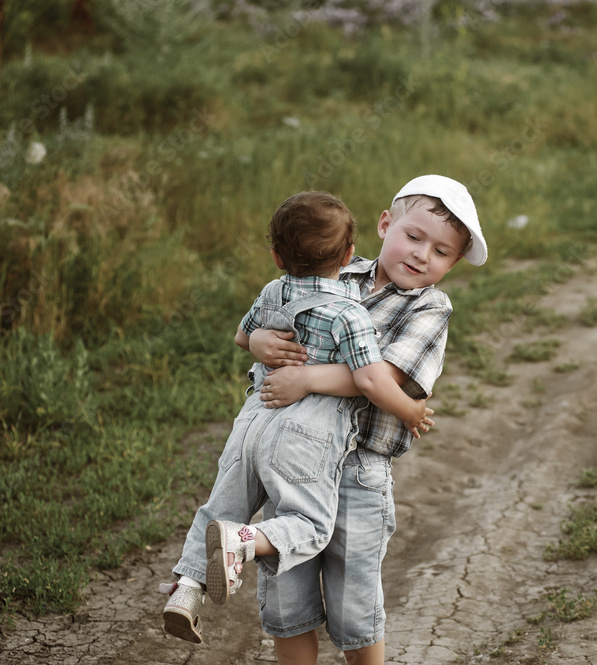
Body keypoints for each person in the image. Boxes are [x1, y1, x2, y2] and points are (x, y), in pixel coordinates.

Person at [161, 190, 435, 644]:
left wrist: (257, 344)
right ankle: (243, 543)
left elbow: (240, 335)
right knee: (309, 525)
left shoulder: (273, 290)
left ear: (274, 256)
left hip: (254, 417)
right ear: (349, 256)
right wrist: (410, 409)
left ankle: (186, 590)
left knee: (220, 508)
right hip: (306, 434)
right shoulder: (350, 313)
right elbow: (370, 380)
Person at [245, 174, 488, 665]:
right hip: (295, 457)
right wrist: (257, 343)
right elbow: (271, 320)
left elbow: (387, 379)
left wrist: (308, 378)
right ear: (384, 224)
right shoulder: (334, 275)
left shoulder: (430, 308)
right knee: (288, 594)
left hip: (360, 469)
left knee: (354, 599)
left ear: (454, 263)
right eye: (414, 237)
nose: (422, 255)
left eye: (441, 252)